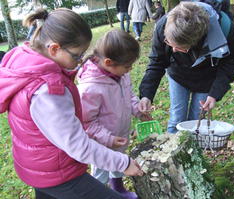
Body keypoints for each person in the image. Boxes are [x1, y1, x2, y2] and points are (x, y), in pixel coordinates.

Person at [0, 8, 143, 199]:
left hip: (35, 166)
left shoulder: (26, 60)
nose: (79, 62)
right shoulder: (47, 91)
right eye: (76, 55)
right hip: (56, 172)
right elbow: (78, 145)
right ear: (54, 49)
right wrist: (123, 163)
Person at [138, 2, 234, 133]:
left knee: (196, 122)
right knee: (176, 119)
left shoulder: (224, 30)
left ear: (196, 42)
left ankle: (192, 151)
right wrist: (146, 95)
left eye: (181, 48)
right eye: (169, 43)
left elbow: (231, 62)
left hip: (206, 78)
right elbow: (157, 62)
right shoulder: (162, 26)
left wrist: (215, 93)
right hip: (178, 74)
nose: (174, 50)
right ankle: (172, 151)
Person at [77, 29, 151, 199]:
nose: (130, 69)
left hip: (120, 134)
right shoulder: (90, 88)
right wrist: (108, 138)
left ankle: (118, 188)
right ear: (109, 62)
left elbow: (129, 95)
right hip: (101, 144)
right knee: (101, 171)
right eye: (127, 66)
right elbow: (86, 122)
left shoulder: (121, 75)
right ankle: (101, 193)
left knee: (120, 162)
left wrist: (137, 109)